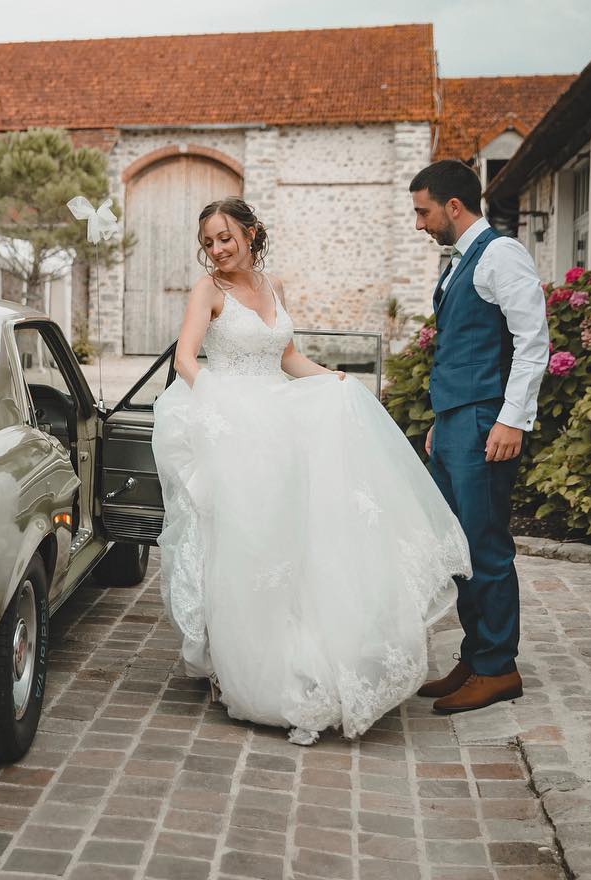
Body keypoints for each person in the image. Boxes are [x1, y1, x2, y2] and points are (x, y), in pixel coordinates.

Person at [152, 197, 471, 744]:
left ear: (251, 233)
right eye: (207, 242)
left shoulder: (274, 287)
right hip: (233, 427)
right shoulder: (208, 291)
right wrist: (222, 413)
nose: (217, 250)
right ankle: (238, 663)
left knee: (294, 540)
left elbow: (288, 358)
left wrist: (333, 380)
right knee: (245, 542)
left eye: (225, 237)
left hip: (281, 423)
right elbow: (185, 360)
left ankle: (301, 650)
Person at [409, 160, 547, 714]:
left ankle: (498, 668)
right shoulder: (460, 260)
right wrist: (441, 424)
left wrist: (512, 419)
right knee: (459, 546)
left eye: (423, 211)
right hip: (456, 424)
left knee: (485, 545)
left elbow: (533, 341)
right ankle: (476, 653)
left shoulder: (501, 255)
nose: (419, 223)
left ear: (454, 206)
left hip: (487, 422)